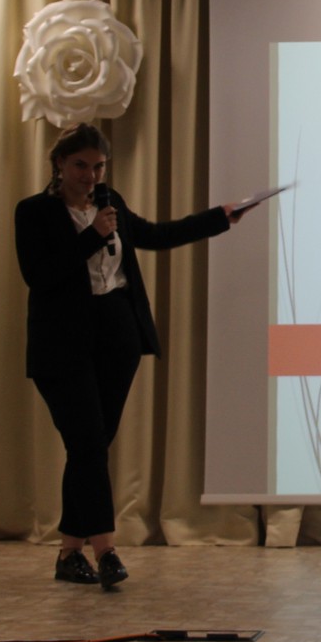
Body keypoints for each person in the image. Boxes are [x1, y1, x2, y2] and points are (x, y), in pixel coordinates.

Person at [14, 123, 254, 589]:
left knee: (89, 448)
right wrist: (91, 235)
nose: (90, 175)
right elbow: (39, 275)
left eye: (98, 166)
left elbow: (155, 235)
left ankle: (69, 553)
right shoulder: (34, 212)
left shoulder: (112, 204)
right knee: (87, 444)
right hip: (62, 345)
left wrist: (219, 218)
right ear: (59, 163)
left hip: (118, 335)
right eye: (81, 165)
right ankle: (106, 551)